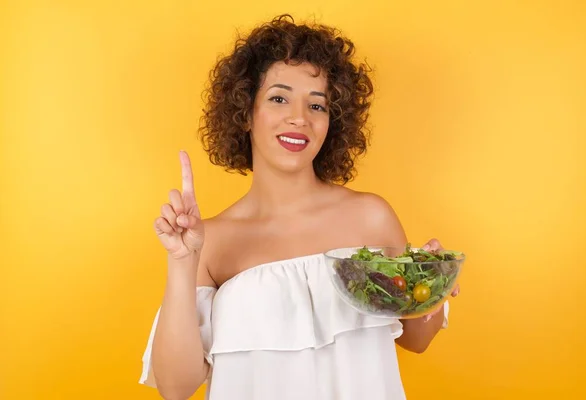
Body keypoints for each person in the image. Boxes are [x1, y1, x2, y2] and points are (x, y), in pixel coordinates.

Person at [139, 14, 460, 400]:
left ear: (333, 121)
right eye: (278, 98)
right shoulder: (210, 241)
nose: (299, 118)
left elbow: (416, 339)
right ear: (245, 112)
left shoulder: (370, 217)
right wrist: (181, 261)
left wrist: (433, 285)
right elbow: (176, 387)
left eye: (318, 106)